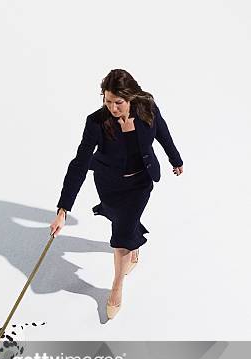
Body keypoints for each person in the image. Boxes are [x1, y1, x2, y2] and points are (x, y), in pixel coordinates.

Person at [49, 69, 184, 320]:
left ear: (130, 97)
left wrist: (175, 159)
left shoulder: (148, 108)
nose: (112, 107)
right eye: (107, 101)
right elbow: (79, 163)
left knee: (121, 234)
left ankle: (116, 286)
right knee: (120, 221)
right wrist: (63, 210)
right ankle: (132, 243)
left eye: (118, 102)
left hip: (140, 184)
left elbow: (163, 133)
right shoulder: (96, 122)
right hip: (109, 184)